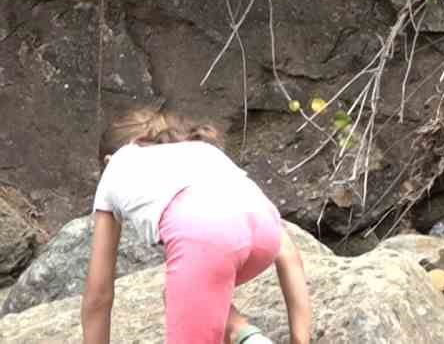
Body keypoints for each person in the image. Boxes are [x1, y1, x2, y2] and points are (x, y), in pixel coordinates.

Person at [81, 107, 311, 344]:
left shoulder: (117, 164)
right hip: (265, 231)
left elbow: (98, 295)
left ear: (108, 160)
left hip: (205, 233)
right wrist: (300, 340)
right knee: (183, 294)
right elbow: (289, 256)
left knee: (193, 287)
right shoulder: (202, 150)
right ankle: (243, 333)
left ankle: (243, 335)